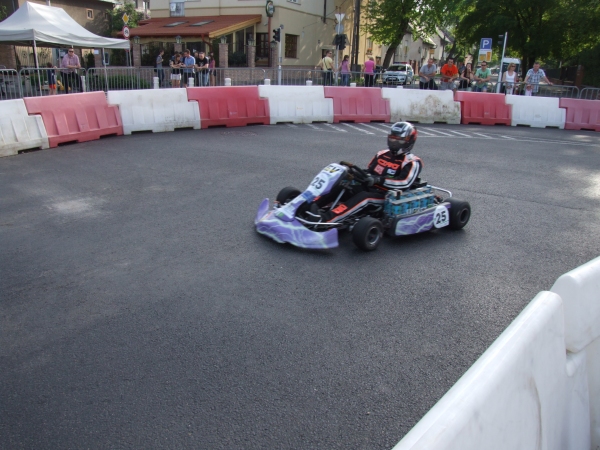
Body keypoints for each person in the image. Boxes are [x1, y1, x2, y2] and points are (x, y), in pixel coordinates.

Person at [309, 122, 423, 223]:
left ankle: (326, 219)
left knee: (364, 197)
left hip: (387, 196)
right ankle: (310, 205)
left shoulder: (412, 162)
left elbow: (404, 183)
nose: (394, 142)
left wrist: (379, 180)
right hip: (370, 187)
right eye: (392, 138)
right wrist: (356, 175)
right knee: (343, 185)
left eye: (399, 139)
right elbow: (369, 172)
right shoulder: (382, 154)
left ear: (409, 141)